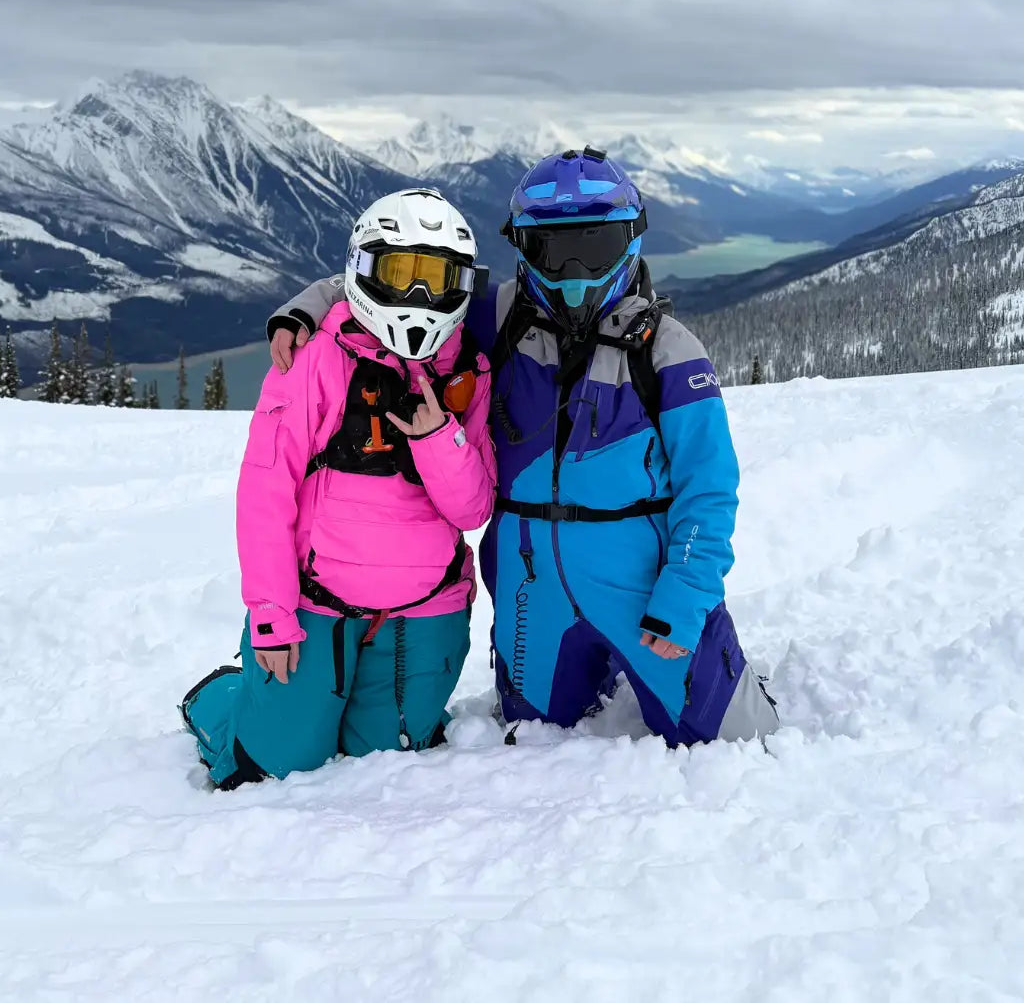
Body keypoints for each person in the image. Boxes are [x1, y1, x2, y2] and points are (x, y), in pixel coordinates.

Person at [267, 150, 779, 747]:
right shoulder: (502, 316)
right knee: (532, 733)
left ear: (630, 242)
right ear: (522, 248)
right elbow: (400, 288)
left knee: (736, 741)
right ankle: (599, 664)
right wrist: (313, 301)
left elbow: (709, 488)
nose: (573, 273)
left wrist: (687, 594)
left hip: (642, 589)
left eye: (595, 247)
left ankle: (681, 667)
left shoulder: (667, 352)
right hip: (533, 588)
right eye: (550, 252)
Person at [181, 189, 496, 788]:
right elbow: (265, 492)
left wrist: (438, 438)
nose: (417, 296)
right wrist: (271, 614)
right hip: (314, 603)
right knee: (270, 766)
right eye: (399, 273)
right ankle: (224, 700)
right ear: (364, 268)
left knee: (386, 758)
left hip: (425, 606)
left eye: (436, 278)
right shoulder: (316, 356)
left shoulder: (466, 371)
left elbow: (474, 508)